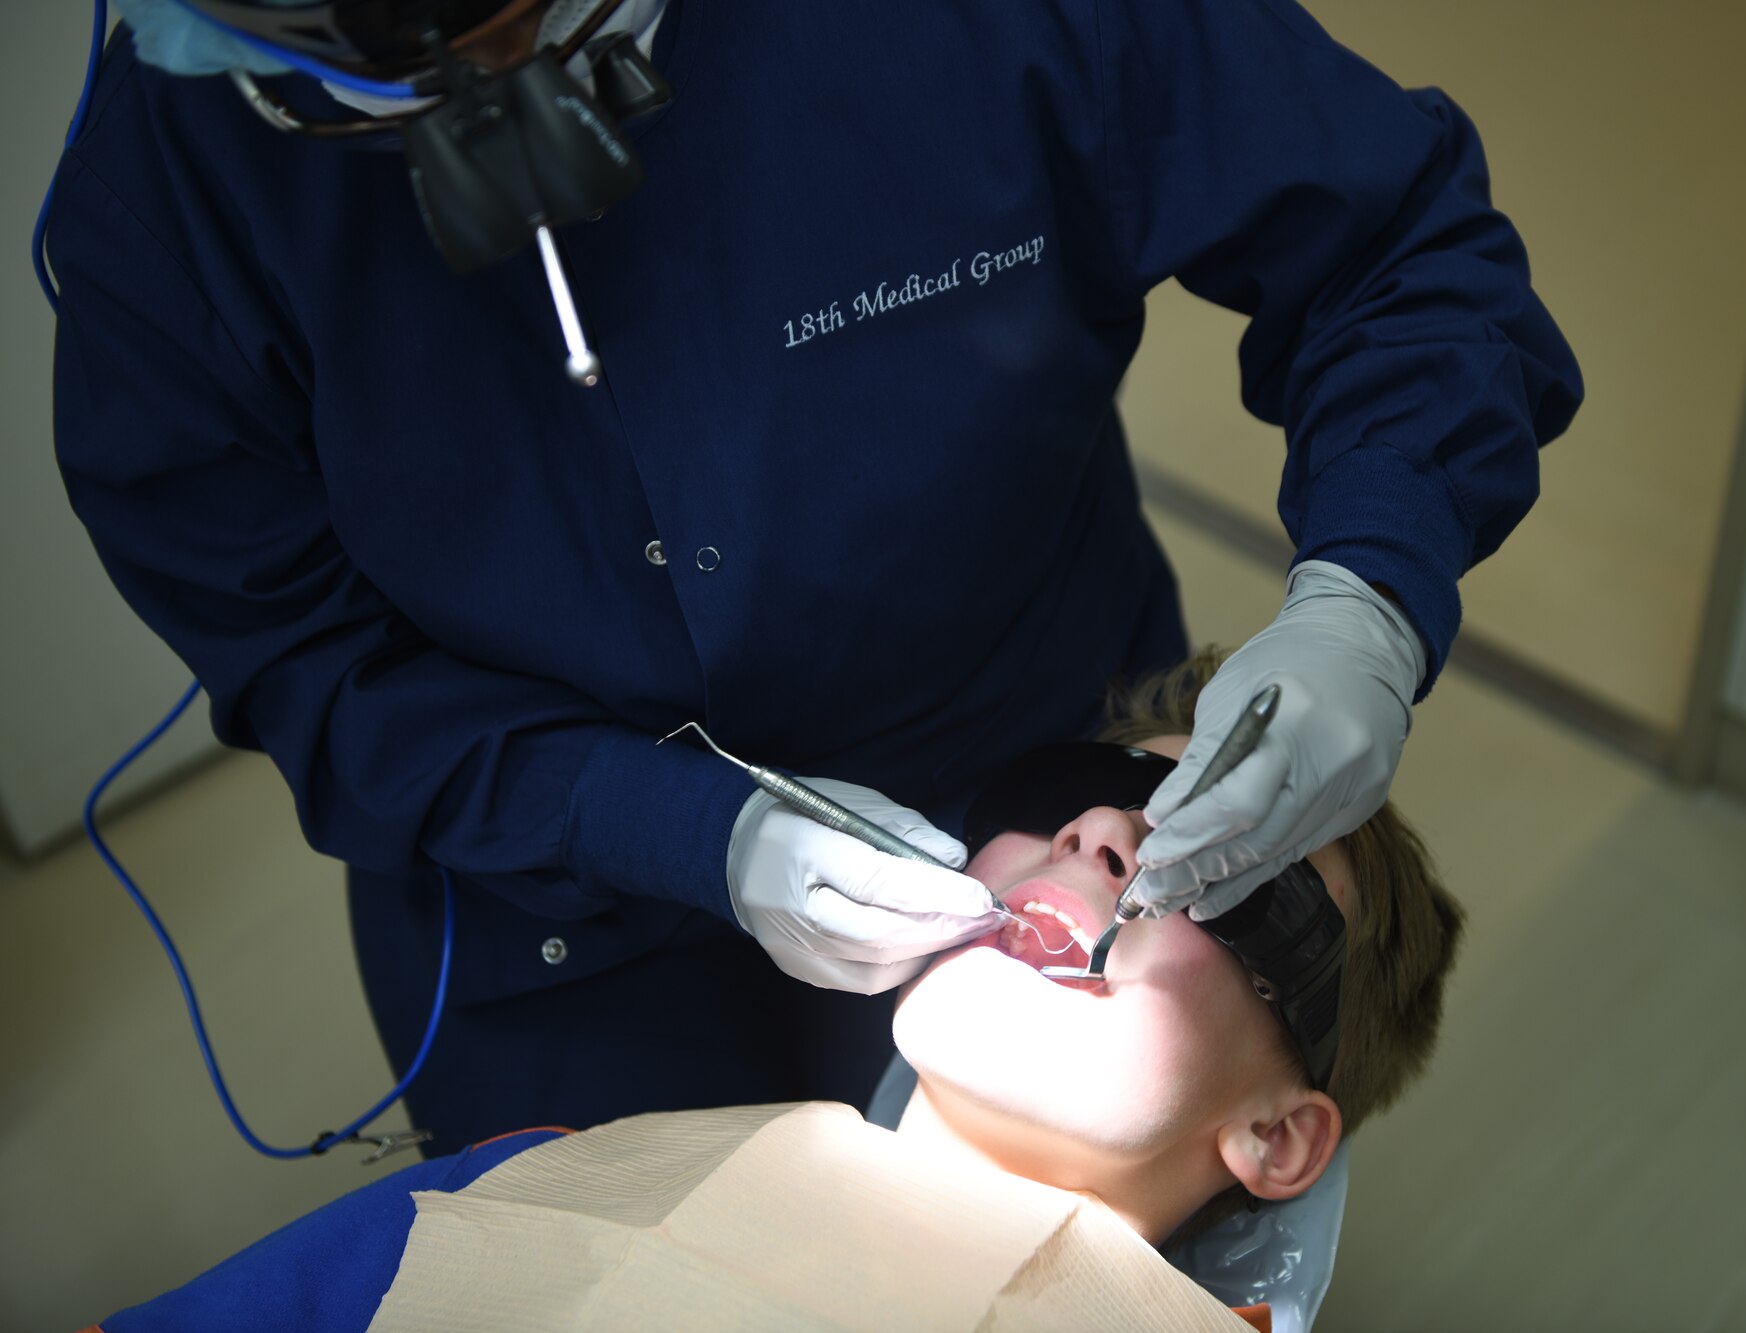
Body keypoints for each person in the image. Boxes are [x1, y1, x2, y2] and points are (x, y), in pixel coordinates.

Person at [47, 0, 1574, 1153]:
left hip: (1018, 687)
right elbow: (310, 663)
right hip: (553, 905)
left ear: (1284, 1141)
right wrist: (676, 831)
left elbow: (1392, 244)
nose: (1114, 833)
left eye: (1230, 908)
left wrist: (1371, 588)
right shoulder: (169, 194)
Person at [92, 651, 1464, 1331]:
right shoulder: (546, 1177)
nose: (1105, 836)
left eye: (1225, 874)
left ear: (1278, 1136)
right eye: (1079, 797)